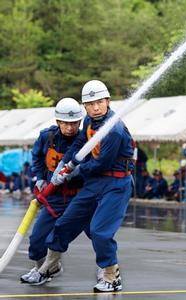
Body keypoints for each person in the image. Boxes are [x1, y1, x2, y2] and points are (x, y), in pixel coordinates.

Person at [28, 79, 134, 292]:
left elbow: (99, 162)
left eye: (100, 102)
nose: (96, 107)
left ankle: (112, 275)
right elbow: (78, 145)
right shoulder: (88, 122)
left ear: (108, 101)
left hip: (116, 183)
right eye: (91, 103)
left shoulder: (114, 129)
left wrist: (71, 173)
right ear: (85, 106)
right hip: (95, 183)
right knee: (64, 224)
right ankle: (51, 265)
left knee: (99, 231)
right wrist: (64, 165)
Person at [20, 97, 84, 283]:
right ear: (58, 122)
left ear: (80, 122)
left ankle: (108, 272)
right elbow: (37, 157)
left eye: (74, 123)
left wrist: (76, 173)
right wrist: (39, 177)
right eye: (66, 123)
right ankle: (41, 269)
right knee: (37, 239)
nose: (70, 128)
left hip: (78, 199)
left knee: (97, 234)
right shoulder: (46, 136)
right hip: (53, 197)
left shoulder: (85, 140)